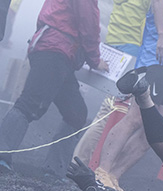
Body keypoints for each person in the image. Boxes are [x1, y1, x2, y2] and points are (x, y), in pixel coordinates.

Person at [93, 0, 163, 191]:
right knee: (135, 118)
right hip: (160, 60)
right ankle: (102, 171)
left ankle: (114, 176)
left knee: (155, 133)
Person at [0, 0, 108, 176]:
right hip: (56, 49)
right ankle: (2, 155)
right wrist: (95, 59)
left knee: (76, 113)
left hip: (58, 50)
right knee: (30, 103)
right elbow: (88, 23)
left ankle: (54, 172)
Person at [72, 0, 153, 168]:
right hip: (132, 50)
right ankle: (81, 164)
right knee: (110, 111)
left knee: (108, 111)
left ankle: (80, 163)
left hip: (119, 44)